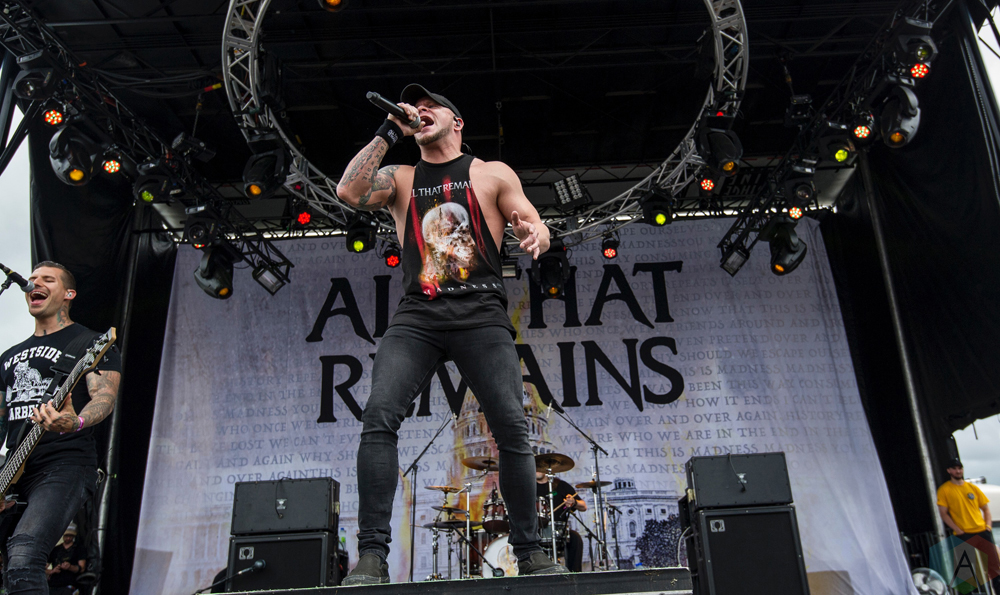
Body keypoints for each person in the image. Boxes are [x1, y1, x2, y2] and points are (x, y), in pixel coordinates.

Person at [336, 84, 563, 584]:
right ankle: (372, 557)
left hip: (480, 312)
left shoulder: (491, 173)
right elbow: (350, 192)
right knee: (378, 417)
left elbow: (534, 222)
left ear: (456, 122)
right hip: (418, 314)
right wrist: (387, 131)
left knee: (511, 428)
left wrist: (537, 234)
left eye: (430, 106)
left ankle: (529, 552)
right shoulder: (401, 177)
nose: (420, 111)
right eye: (414, 107)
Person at [0, 261, 121, 594]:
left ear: (69, 294)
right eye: (32, 278)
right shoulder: (9, 356)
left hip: (65, 463)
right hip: (14, 470)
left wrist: (75, 421)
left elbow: (104, 397)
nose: (34, 283)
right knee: (10, 570)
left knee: (25, 556)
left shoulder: (89, 343)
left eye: (47, 279)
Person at [937, 458, 1000, 591]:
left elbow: (986, 509)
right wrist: (956, 529)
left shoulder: (972, 488)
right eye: (954, 469)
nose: (958, 471)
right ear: (949, 471)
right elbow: (943, 513)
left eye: (959, 468)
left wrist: (988, 526)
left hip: (981, 530)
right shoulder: (945, 490)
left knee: (994, 566)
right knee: (967, 569)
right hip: (963, 533)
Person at [535, 472, 586, 572]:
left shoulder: (560, 485)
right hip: (535, 532)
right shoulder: (528, 487)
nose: (537, 470)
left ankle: (574, 575)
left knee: (575, 538)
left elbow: (583, 506)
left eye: (540, 466)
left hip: (559, 533)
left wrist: (574, 502)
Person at [45, 524, 85, 594]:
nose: (68, 538)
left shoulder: (79, 549)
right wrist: (52, 571)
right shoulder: (56, 549)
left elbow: (82, 568)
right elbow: (42, 568)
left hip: (69, 585)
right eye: (66, 536)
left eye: (71, 536)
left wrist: (70, 567)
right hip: (53, 585)